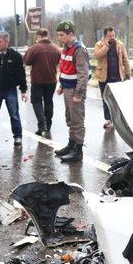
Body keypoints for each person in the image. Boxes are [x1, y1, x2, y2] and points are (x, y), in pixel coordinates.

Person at [54, 21, 90, 162]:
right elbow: (65, 68)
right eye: (58, 35)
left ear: (70, 34)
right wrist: (62, 85)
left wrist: (78, 94)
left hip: (75, 90)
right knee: (70, 119)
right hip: (67, 88)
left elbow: (83, 74)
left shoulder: (79, 50)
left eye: (62, 35)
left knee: (77, 121)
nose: (59, 37)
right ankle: (71, 145)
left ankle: (78, 151)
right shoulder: (66, 48)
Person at [23, 29, 61, 135]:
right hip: (52, 80)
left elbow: (26, 61)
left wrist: (27, 51)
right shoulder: (56, 48)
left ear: (39, 36)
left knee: (36, 102)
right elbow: (58, 61)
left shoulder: (34, 48)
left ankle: (42, 124)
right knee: (49, 102)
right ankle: (48, 125)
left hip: (38, 80)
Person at [93, 27, 131, 129]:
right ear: (105, 36)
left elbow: (125, 60)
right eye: (110, 36)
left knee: (117, 100)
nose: (112, 38)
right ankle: (108, 120)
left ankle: (118, 120)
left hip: (117, 77)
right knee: (105, 99)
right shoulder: (99, 44)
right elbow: (97, 56)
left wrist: (128, 73)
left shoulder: (120, 44)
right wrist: (106, 46)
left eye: (113, 36)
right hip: (104, 77)